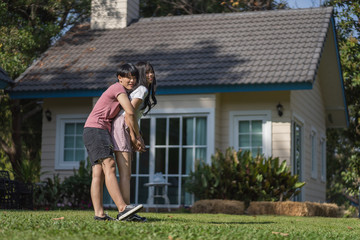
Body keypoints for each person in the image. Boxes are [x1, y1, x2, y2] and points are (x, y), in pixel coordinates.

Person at [83, 63, 145, 221]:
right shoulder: (118, 88)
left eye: (134, 78)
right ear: (120, 78)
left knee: (98, 173)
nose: (131, 81)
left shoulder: (120, 89)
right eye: (128, 77)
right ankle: (123, 209)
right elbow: (130, 111)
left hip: (93, 129)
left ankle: (99, 214)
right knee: (109, 165)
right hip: (97, 129)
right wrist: (137, 136)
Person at [111, 61, 157, 222]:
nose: (150, 75)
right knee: (125, 173)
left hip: (123, 126)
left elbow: (132, 116)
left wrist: (136, 136)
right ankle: (125, 211)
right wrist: (135, 137)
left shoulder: (140, 90)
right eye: (146, 72)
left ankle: (127, 211)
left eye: (152, 72)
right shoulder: (142, 89)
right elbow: (128, 114)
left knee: (126, 173)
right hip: (122, 126)